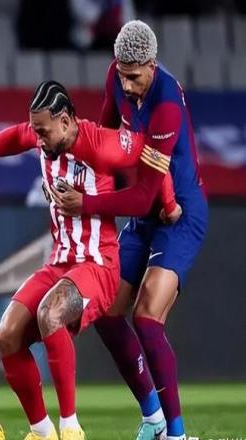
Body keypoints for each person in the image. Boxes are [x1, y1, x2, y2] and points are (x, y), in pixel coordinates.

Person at [0, 80, 177, 440]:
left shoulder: (101, 144)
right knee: (7, 334)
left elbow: (151, 154)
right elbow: (15, 137)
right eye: (35, 131)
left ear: (66, 121)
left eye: (43, 132)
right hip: (60, 263)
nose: (37, 140)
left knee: (50, 313)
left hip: (98, 265)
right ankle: (42, 432)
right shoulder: (43, 134)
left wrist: (169, 203)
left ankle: (71, 429)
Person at [53, 21, 208, 440]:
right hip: (146, 216)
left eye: (135, 77)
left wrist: (86, 204)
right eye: (121, 74)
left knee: (146, 317)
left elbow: (142, 196)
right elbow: (104, 143)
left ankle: (176, 435)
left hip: (180, 216)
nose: (127, 85)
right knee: (106, 312)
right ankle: (153, 418)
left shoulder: (166, 106)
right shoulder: (117, 76)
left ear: (152, 66)